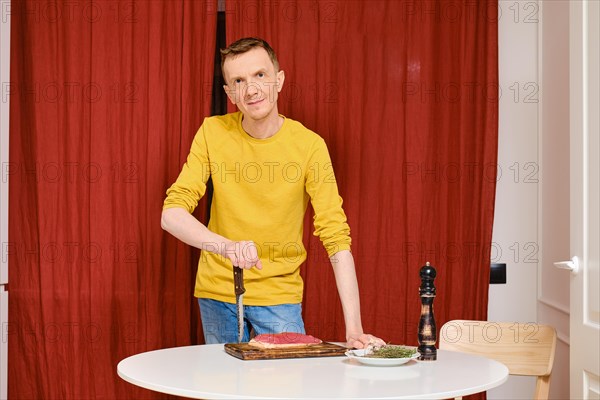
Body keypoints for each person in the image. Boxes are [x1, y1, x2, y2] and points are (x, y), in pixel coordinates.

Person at [161, 37, 383, 349]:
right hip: (217, 294)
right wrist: (226, 247)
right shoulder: (212, 132)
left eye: (260, 75)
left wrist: (354, 329)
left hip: (280, 297)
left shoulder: (309, 146)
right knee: (225, 392)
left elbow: (336, 238)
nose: (251, 89)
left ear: (279, 81)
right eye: (238, 81)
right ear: (230, 94)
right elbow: (171, 215)